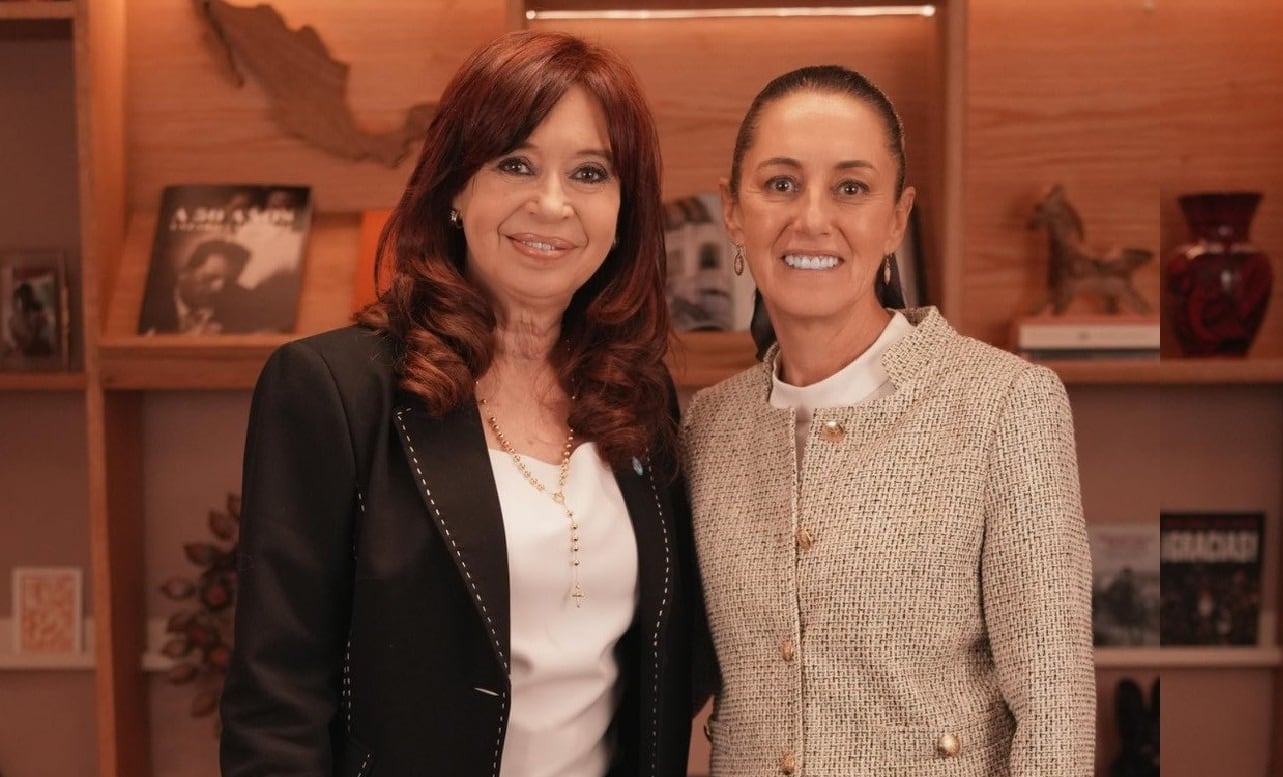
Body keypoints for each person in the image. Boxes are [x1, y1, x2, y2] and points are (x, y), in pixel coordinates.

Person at [220, 30, 698, 777]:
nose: (552, 203)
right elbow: (274, 704)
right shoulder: (332, 390)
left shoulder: (639, 394)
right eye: (515, 164)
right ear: (453, 186)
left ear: (622, 208)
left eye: (589, 172)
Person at [682, 65, 1094, 776]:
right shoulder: (708, 426)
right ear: (733, 211)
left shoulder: (1005, 404)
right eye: (780, 183)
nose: (813, 218)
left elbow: (1054, 710)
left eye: (851, 188)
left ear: (897, 218)